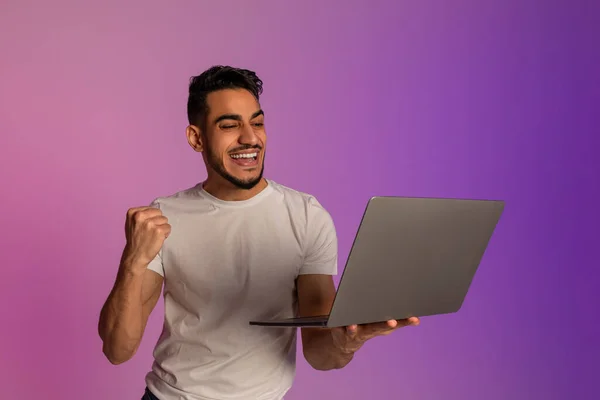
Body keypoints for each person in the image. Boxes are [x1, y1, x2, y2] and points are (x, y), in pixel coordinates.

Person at [98, 65, 420, 400]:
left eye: (258, 122)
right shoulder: (163, 217)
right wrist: (132, 261)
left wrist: (347, 340)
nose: (250, 138)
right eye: (229, 125)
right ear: (197, 138)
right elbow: (117, 350)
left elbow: (320, 354)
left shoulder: (306, 216)